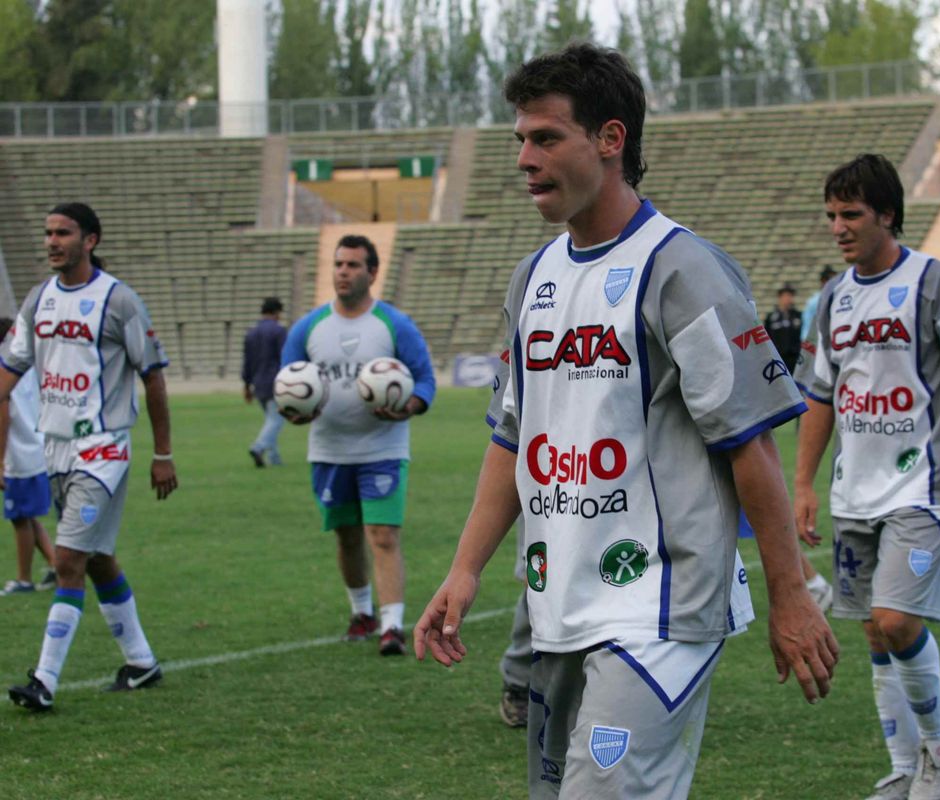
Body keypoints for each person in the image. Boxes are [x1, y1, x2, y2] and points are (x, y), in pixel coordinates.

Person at [415, 44, 838, 799]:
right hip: (561, 601)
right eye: (520, 139)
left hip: (662, 606)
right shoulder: (534, 278)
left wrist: (792, 592)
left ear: (610, 140)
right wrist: (465, 568)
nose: (525, 158)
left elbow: (751, 446)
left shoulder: (683, 271)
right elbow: (512, 438)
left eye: (546, 137)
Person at [793, 154, 940, 800]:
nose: (838, 227)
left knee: (898, 621)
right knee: (876, 634)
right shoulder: (833, 299)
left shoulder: (937, 285)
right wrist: (802, 483)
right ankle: (903, 764)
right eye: (831, 215)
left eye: (851, 214)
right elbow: (821, 396)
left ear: (887, 215)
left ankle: (939, 743)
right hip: (855, 493)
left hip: (921, 489)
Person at [1, 202, 177, 711]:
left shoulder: (118, 300)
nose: (52, 241)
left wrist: (162, 453)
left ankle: (44, 681)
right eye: (48, 233)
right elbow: (8, 370)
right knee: (98, 559)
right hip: (54, 449)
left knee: (70, 561)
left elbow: (154, 376)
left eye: (63, 233)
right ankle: (141, 662)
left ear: (90, 241)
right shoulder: (39, 300)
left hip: (103, 450)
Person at [281, 234, 435, 656]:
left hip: (383, 449)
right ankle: (362, 612)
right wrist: (294, 410)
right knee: (347, 537)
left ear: (372, 272)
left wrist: (410, 406)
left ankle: (391, 626)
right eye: (338, 264)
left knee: (382, 535)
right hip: (329, 451)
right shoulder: (308, 328)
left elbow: (424, 380)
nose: (343, 272)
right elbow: (287, 385)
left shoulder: (394, 324)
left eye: (352, 265)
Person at [0, 316, 56, 596]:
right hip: (36, 447)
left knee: (20, 518)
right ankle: (58, 565)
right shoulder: (20, 364)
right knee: (28, 516)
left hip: (19, 454)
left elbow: (3, 416)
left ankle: (23, 580)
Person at [243, 297, 288, 467]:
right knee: (276, 420)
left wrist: (246, 386)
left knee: (271, 420)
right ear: (277, 312)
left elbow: (247, 362)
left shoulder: (251, 332)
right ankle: (258, 447)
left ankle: (274, 458)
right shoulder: (278, 331)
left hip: (257, 383)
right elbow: (285, 357)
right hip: (275, 381)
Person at [764, 285, 803, 373]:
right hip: (778, 357)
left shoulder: (798, 316)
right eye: (785, 296)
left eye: (790, 296)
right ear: (780, 298)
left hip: (794, 358)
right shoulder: (771, 317)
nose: (787, 299)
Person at [802, 265, 838, 341]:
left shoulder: (838, 299)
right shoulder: (814, 302)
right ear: (823, 282)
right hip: (818, 341)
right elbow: (807, 325)